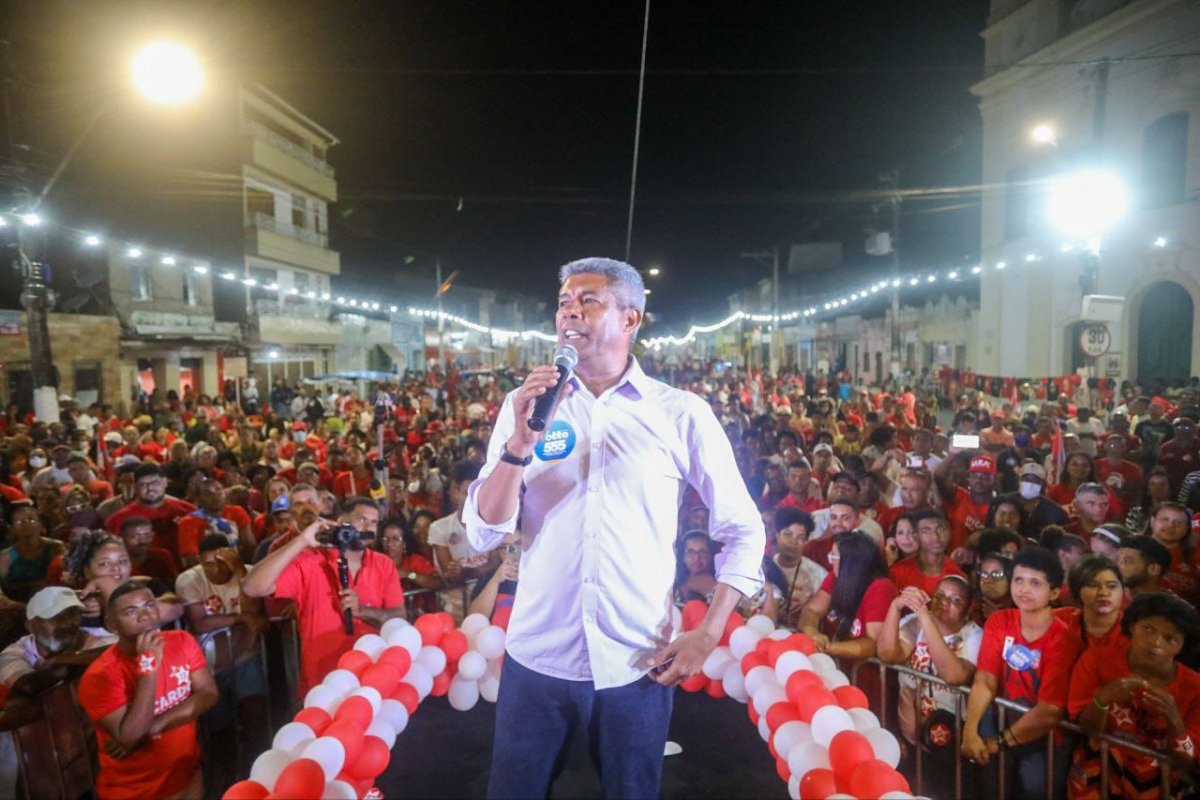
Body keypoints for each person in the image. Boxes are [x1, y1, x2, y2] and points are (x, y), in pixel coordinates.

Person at [464, 258, 764, 799]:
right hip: (537, 659)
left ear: (630, 320)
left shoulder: (680, 414)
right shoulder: (525, 407)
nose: (569, 312)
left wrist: (709, 630)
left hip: (635, 663)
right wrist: (517, 448)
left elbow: (744, 529)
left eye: (588, 300)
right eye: (563, 303)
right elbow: (484, 532)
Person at [242, 496, 405, 696]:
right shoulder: (310, 561)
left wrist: (363, 610)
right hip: (324, 685)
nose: (368, 528)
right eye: (361, 519)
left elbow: (399, 617)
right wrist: (302, 541)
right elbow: (252, 587)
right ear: (339, 522)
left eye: (374, 522)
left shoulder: (383, 564)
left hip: (373, 678)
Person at [78, 579, 218, 800]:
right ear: (112, 624)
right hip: (135, 792)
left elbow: (208, 694)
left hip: (187, 777)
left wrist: (155, 725)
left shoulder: (182, 641)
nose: (145, 616)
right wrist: (149, 666)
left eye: (150, 606)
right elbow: (130, 736)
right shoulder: (100, 676)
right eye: (131, 611)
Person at [961, 546, 1082, 800]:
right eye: (1018, 580)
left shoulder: (1064, 639)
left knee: (1034, 792)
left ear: (1055, 592)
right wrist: (970, 730)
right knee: (993, 788)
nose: (1024, 589)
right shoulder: (1000, 620)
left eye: (1035, 583)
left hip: (1043, 736)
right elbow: (985, 679)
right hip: (1001, 720)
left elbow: (1050, 709)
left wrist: (999, 743)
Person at [1067, 592, 1200, 799]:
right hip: (1095, 777)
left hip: (1157, 787)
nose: (1155, 642)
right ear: (1131, 626)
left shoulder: (1195, 688)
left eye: (1169, 638)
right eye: (1148, 629)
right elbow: (1086, 729)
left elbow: (1188, 761)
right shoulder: (1097, 660)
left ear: (1182, 646)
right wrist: (1103, 699)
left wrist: (1174, 721)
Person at [876, 577, 982, 749]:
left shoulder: (973, 635)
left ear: (967, 609)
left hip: (948, 737)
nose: (945, 603)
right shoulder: (914, 622)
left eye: (956, 601)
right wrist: (895, 607)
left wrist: (927, 619)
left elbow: (954, 675)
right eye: (940, 596)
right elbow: (887, 654)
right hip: (909, 736)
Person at [799, 530, 898, 660]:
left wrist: (827, 647)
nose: (830, 562)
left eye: (833, 557)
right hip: (833, 662)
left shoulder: (881, 587)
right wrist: (812, 632)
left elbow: (873, 643)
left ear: (850, 563)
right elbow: (811, 610)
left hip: (862, 674)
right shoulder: (835, 578)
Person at [105, 464, 198, 566]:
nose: (150, 488)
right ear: (135, 487)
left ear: (165, 483)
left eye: (155, 483)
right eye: (143, 484)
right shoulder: (118, 520)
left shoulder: (187, 510)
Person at [176, 478, 254, 567]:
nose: (215, 495)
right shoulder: (188, 522)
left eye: (218, 490)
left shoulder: (237, 512)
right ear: (198, 499)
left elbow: (250, 546)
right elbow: (191, 560)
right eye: (208, 493)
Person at [1054, 554, 1126, 650]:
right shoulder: (1058, 620)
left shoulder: (1133, 630)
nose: (1104, 593)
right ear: (1077, 590)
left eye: (1112, 586)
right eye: (1093, 585)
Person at [772, 507, 828, 627]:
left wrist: (806, 612)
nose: (793, 541)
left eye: (800, 537)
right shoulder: (763, 568)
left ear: (807, 541)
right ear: (777, 535)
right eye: (788, 534)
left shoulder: (819, 575)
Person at [889, 510, 965, 594]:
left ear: (949, 531)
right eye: (926, 531)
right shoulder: (896, 573)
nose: (935, 537)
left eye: (940, 529)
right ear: (916, 536)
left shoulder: (958, 577)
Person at [0, 504, 65, 602]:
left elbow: (64, 577)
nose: (26, 524)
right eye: (20, 521)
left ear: (40, 525)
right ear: (13, 529)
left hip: (54, 601)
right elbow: (5, 589)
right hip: (19, 605)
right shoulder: (5, 556)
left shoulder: (56, 547)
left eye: (31, 520)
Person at [1148, 501, 1200, 607]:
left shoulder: (1195, 557)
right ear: (1152, 521)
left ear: (1186, 528)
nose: (1171, 525)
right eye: (1165, 519)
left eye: (1179, 522)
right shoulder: (1129, 548)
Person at [118, 516, 178, 585]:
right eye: (134, 536)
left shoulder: (162, 556)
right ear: (122, 538)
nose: (142, 541)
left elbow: (174, 585)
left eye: (147, 536)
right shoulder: (115, 562)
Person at [1115, 535, 1173, 600]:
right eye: (1117, 559)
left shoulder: (1170, 608)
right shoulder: (1106, 596)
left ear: (1154, 569)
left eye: (1126, 561)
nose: (1116, 566)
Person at [673, 531, 717, 605]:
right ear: (682, 555)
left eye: (702, 552)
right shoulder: (674, 585)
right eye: (690, 551)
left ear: (710, 555)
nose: (697, 558)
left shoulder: (722, 585)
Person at [974, 552, 1014, 623]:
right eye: (984, 574)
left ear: (1009, 580)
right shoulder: (973, 609)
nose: (988, 580)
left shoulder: (1021, 610)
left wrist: (999, 619)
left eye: (996, 574)